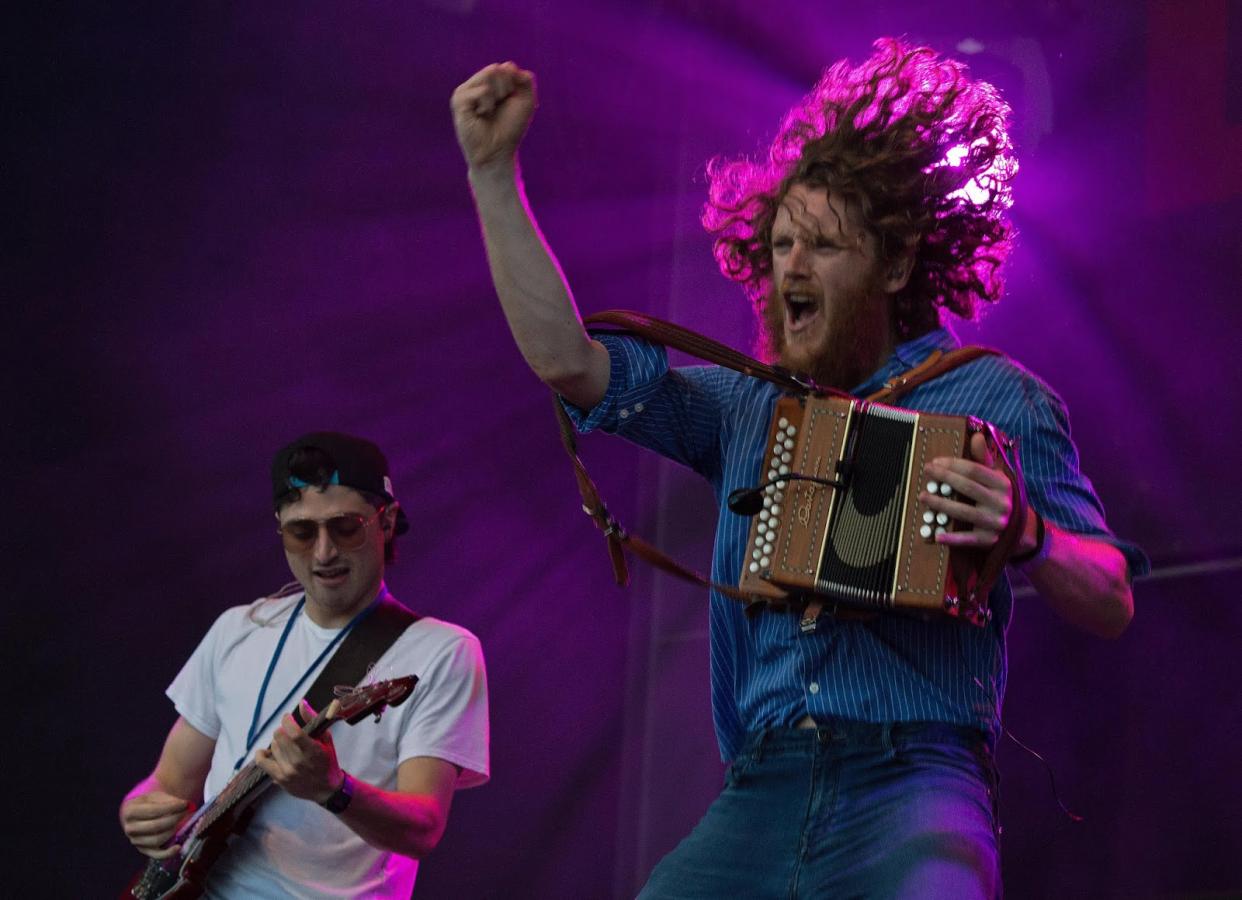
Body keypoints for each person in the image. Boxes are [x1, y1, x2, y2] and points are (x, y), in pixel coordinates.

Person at [454, 38, 1147, 898]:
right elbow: (569, 361)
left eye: (822, 245)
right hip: (762, 782)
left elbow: (1110, 594)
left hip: (916, 776)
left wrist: (1029, 535)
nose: (791, 266)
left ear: (896, 264)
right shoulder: (745, 404)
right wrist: (493, 177)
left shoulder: (994, 396)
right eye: (781, 244)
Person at [119, 432, 489, 898]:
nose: (323, 552)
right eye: (302, 531)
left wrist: (334, 789)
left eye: (345, 527)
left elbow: (423, 830)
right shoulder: (239, 628)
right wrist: (140, 812)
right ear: (279, 528)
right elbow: (167, 784)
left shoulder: (442, 651)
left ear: (387, 521)